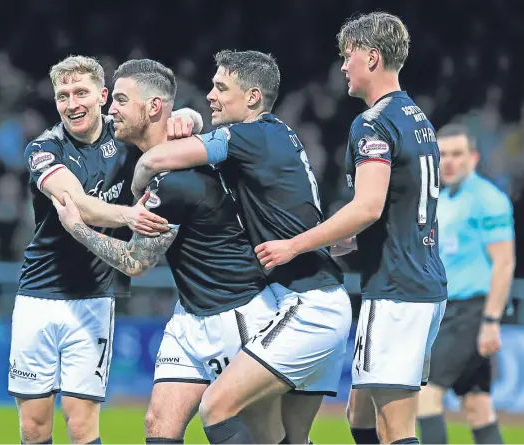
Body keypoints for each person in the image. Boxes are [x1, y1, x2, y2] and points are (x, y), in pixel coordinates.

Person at [52, 58, 286, 444]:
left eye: (122, 100)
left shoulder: (178, 180)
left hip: (236, 312)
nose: (112, 110)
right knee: (159, 426)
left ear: (153, 107)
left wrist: (77, 227)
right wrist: (190, 116)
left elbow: (136, 261)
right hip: (190, 315)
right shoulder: (164, 152)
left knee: (261, 434)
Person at [130, 49, 351, 444]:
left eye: (220, 88)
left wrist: (138, 186)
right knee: (290, 438)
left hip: (307, 305)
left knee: (217, 408)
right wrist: (192, 119)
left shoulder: (248, 137)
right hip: (319, 296)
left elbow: (158, 158)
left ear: (251, 97)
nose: (211, 95)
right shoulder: (273, 136)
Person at [255, 12, 448, 444]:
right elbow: (398, 208)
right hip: (423, 281)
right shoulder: (418, 118)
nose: (342, 66)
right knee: (359, 411)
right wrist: (341, 243)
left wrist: (294, 246)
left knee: (395, 428)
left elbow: (367, 207)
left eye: (348, 56)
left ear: (372, 58)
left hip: (398, 290)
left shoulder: (373, 123)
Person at [9, 55, 199, 444]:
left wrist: (191, 117)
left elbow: (163, 117)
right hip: (38, 295)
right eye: (63, 96)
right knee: (34, 426)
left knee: (82, 426)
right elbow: (74, 204)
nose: (72, 103)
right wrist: (129, 216)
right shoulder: (44, 149)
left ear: (103, 96)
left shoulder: (123, 134)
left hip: (94, 300)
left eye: (81, 92)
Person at [417, 124, 515, 444]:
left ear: (473, 158)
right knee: (477, 406)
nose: (449, 162)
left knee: (425, 398)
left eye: (457, 154)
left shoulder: (489, 199)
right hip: (449, 312)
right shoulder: (442, 200)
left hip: (471, 313)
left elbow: (504, 262)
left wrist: (490, 321)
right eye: (442, 155)